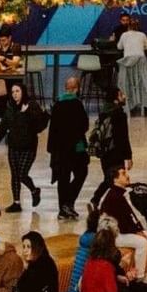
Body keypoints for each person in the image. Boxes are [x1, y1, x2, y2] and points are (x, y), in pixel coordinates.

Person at [0, 83, 47, 213]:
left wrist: (27, 113)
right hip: (14, 146)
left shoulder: (32, 106)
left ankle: (34, 190)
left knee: (22, 174)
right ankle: (16, 202)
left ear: (23, 92)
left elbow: (40, 126)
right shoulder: (10, 108)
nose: (15, 94)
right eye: (13, 92)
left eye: (17, 91)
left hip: (28, 146)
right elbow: (2, 128)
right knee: (15, 174)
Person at [47, 76, 91, 222]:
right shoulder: (77, 104)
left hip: (60, 149)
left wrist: (52, 149)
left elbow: (52, 128)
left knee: (63, 179)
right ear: (77, 89)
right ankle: (69, 202)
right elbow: (84, 125)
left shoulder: (57, 104)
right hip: (76, 147)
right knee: (82, 172)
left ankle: (63, 209)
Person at [87, 87, 132, 196]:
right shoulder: (119, 115)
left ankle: (97, 200)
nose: (124, 97)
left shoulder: (103, 113)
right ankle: (99, 199)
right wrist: (128, 156)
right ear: (115, 100)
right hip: (116, 153)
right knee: (116, 180)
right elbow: (123, 138)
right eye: (121, 95)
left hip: (104, 152)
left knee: (109, 179)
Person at [116, 16, 147, 116]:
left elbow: (119, 47)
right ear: (138, 26)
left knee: (127, 83)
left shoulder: (124, 35)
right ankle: (145, 107)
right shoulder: (142, 35)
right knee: (143, 84)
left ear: (128, 26)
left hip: (127, 62)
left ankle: (129, 107)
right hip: (140, 61)